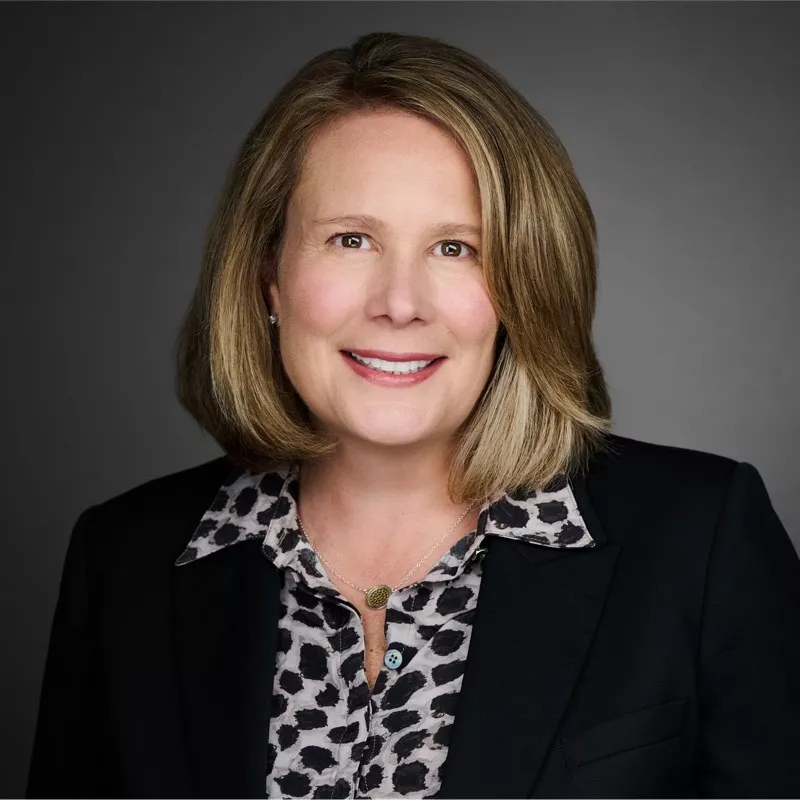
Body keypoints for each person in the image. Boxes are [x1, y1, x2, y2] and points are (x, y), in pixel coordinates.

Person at [27, 30, 800, 800]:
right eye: (351, 239)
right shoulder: (123, 562)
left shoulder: (701, 541)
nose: (399, 304)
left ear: (524, 282)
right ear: (269, 275)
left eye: (456, 248)